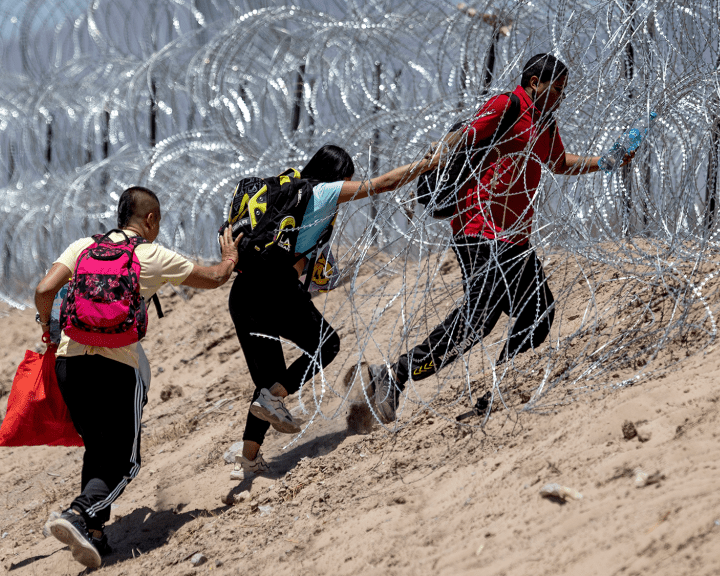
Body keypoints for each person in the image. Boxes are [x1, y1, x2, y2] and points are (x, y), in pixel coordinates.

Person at [366, 53, 628, 423]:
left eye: (564, 92)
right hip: (480, 230)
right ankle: (395, 375)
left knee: (538, 312)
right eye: (556, 89)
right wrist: (437, 155)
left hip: (514, 238)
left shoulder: (545, 123)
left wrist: (606, 161)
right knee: (480, 316)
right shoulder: (508, 105)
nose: (560, 97)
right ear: (534, 82)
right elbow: (466, 135)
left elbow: (559, 163)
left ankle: (501, 388)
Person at [33, 186, 240, 568]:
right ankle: (77, 513)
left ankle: (93, 532)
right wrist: (228, 258)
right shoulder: (151, 255)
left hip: (70, 363)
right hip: (118, 366)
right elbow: (213, 278)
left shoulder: (82, 248)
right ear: (150, 220)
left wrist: (49, 328)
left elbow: (45, 289)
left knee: (97, 448)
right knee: (126, 462)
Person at [229, 144, 439, 480]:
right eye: (347, 181)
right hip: (274, 288)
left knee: (270, 383)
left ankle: (248, 461)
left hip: (242, 294)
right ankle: (275, 398)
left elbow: (299, 264)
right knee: (327, 345)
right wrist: (428, 164)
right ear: (339, 176)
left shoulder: (284, 193)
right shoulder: (323, 191)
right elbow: (382, 184)